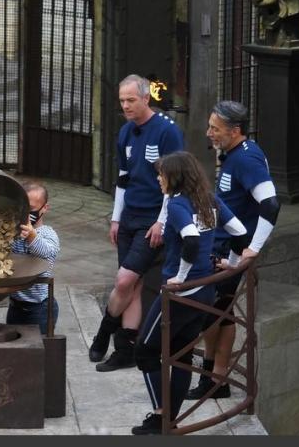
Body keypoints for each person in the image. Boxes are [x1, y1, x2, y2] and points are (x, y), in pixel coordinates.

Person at [131, 151, 247, 435]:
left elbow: (191, 241)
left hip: (180, 295)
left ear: (175, 176)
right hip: (205, 292)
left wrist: (179, 280)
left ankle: (161, 418)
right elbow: (241, 233)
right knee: (181, 355)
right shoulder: (210, 200)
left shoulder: (178, 204)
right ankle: (169, 420)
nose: (158, 178)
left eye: (162, 174)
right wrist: (230, 265)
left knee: (145, 352)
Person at [89, 74, 184, 372]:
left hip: (152, 219)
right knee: (135, 282)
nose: (126, 106)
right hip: (129, 216)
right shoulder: (126, 133)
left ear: (146, 98)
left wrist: (161, 221)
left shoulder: (168, 131)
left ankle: (104, 332)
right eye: (122, 101)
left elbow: (175, 182)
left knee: (124, 280)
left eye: (131, 100)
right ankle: (126, 347)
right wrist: (116, 218)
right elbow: (122, 178)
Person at [186, 101, 280, 400]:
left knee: (214, 311)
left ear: (235, 131)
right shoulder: (234, 154)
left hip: (232, 251)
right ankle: (215, 376)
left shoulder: (246, 159)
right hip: (223, 247)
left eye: (215, 128)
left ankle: (215, 378)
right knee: (218, 312)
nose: (209, 133)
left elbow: (270, 204)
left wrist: (252, 249)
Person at [6, 181, 60, 335]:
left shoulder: (48, 233)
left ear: (45, 208)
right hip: (15, 305)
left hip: (40, 307)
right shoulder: (13, 233)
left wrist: (31, 236)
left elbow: (47, 253)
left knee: (39, 349)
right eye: (21, 209)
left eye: (31, 210)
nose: (26, 215)